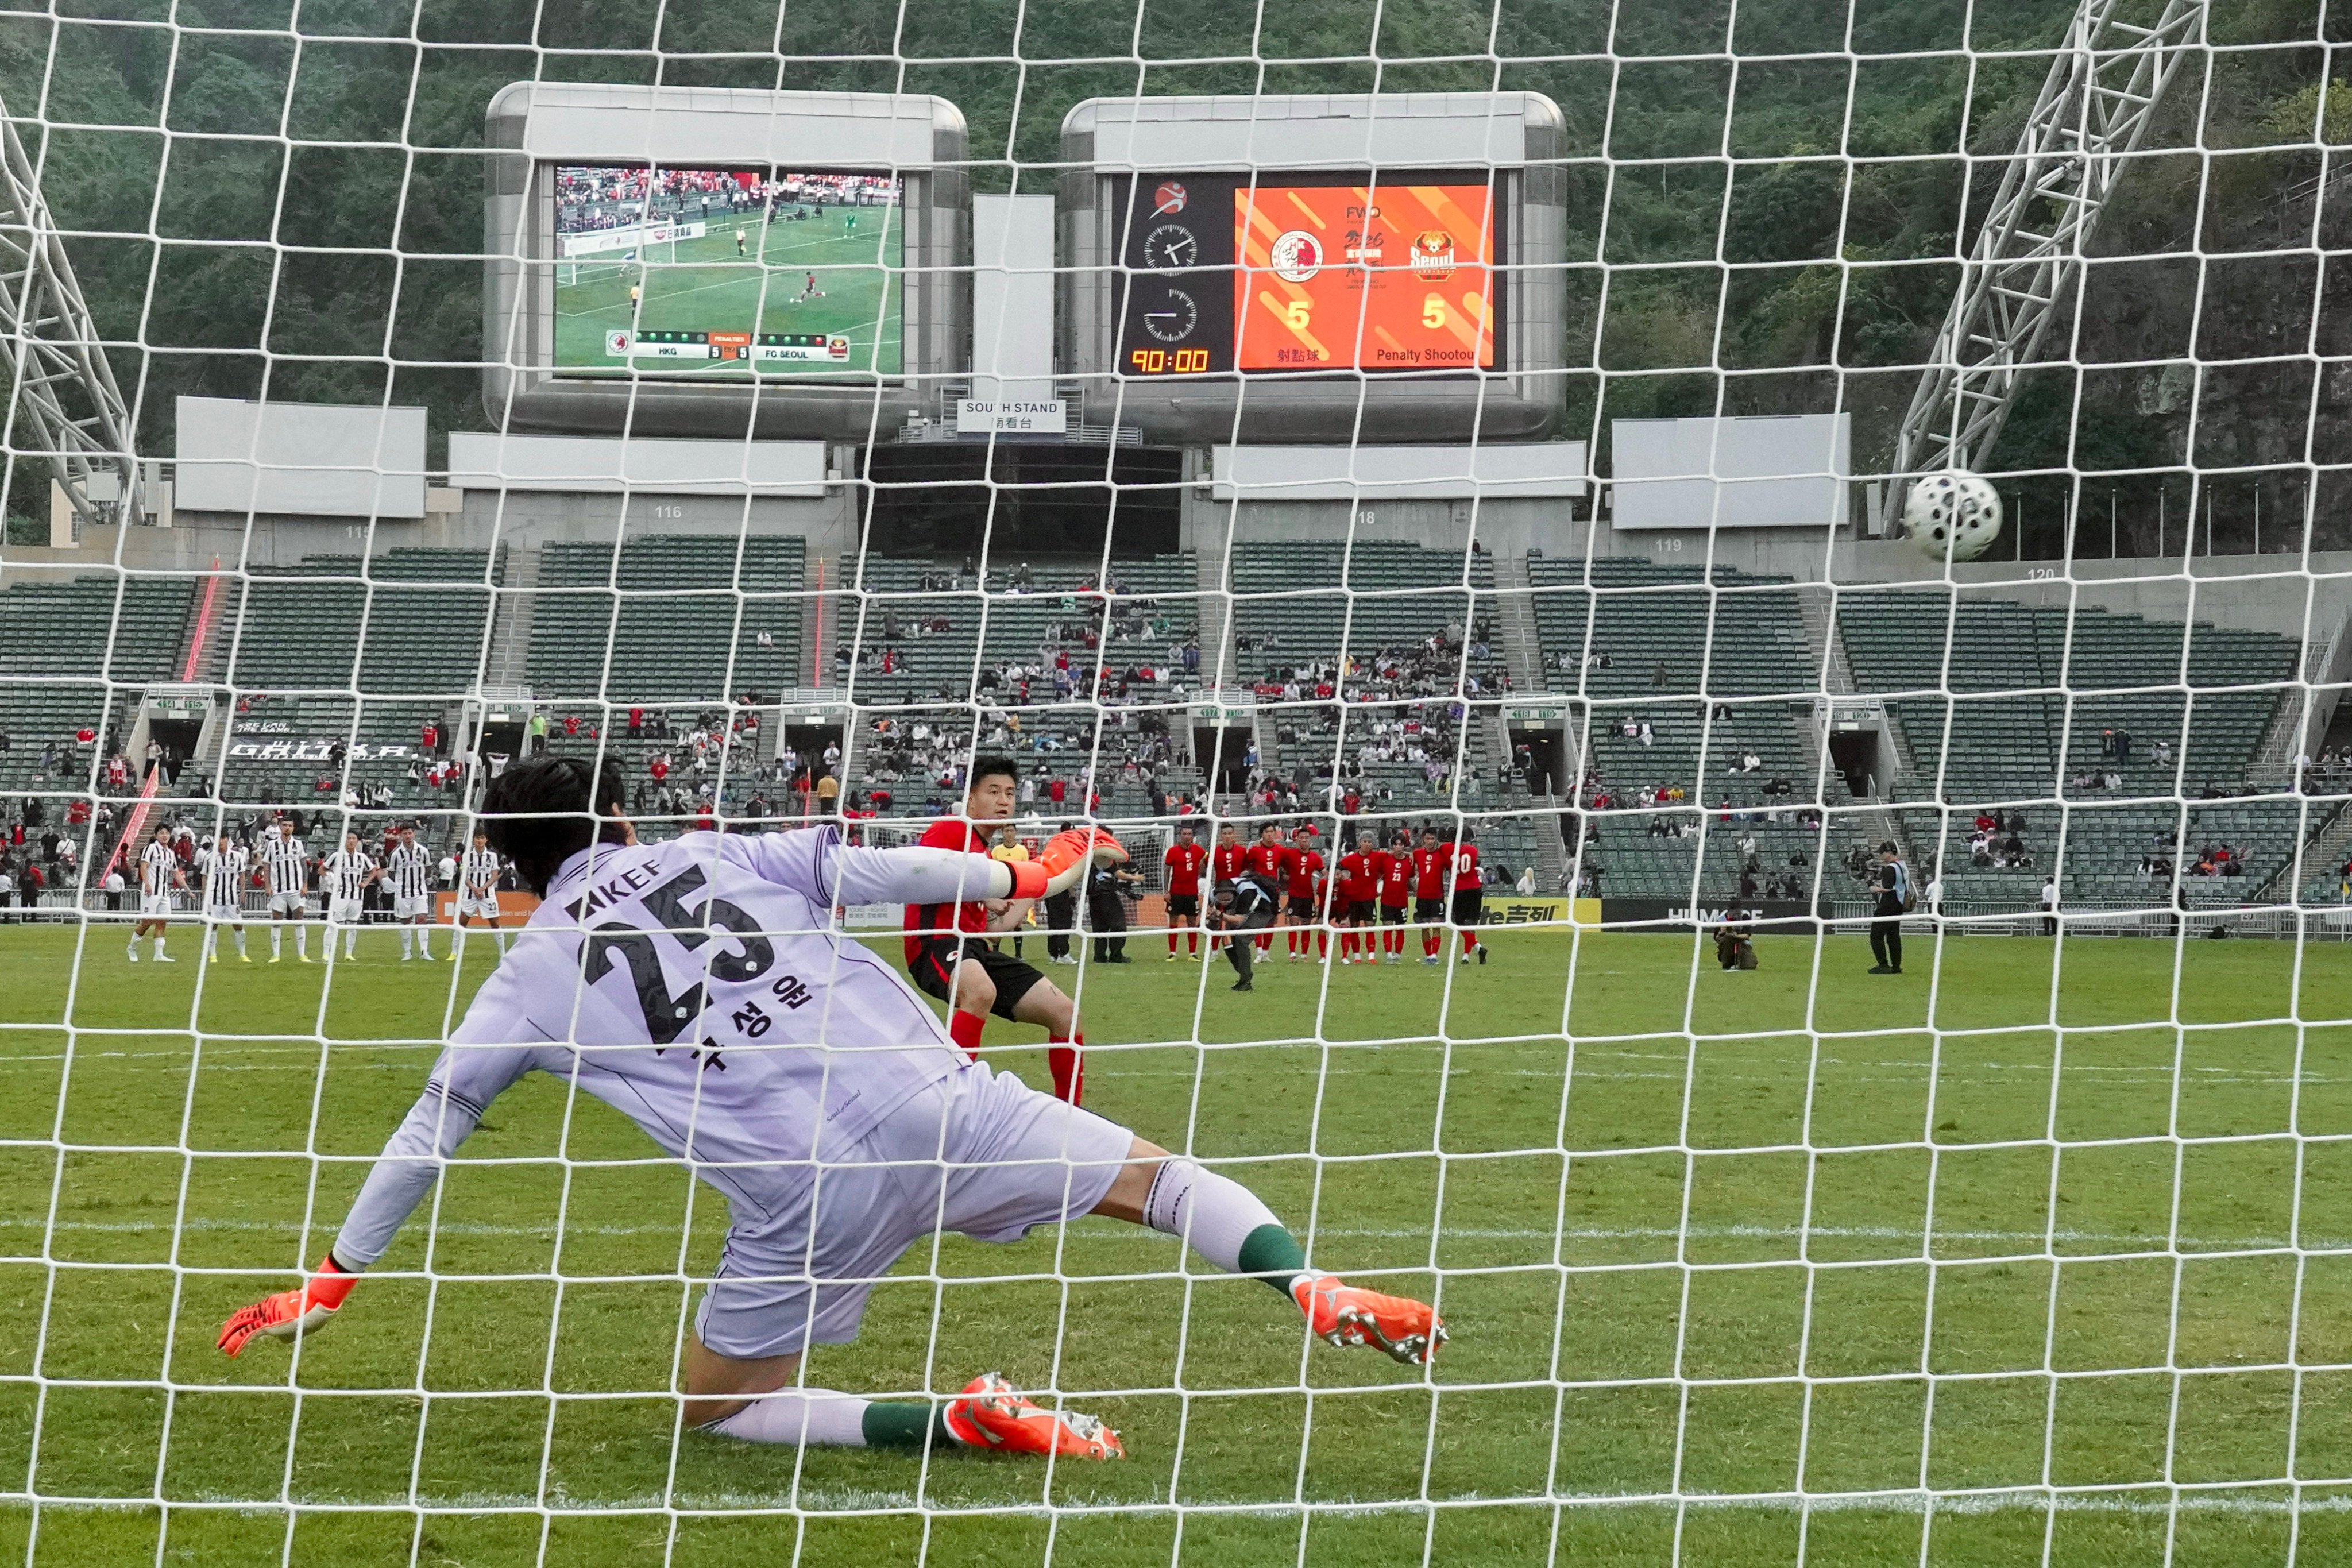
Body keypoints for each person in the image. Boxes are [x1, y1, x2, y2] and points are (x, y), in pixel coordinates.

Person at [213, 755, 1445, 1463]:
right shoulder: (716, 849)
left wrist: (334, 1274)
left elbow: (433, 1123)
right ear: (624, 819)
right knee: (1161, 1182)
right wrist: (1019, 870)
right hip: (935, 1101)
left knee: (719, 1406)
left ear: (514, 869)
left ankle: (955, 1422)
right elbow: (889, 869)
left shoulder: (527, 974)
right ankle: (1311, 1285)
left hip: (801, 1194)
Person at [904, 760, 1091, 1103]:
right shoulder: (953, 829)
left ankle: (1072, 1116)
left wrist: (1056, 876)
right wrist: (984, 890)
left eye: (1009, 793)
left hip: (976, 950)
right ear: (971, 798)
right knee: (980, 991)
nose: (1003, 800)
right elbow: (919, 866)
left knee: (1066, 1013)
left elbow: (999, 927)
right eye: (993, 792)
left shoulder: (985, 855)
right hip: (933, 942)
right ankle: (947, 1100)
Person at [1213, 872, 1280, 992]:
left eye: (1227, 899)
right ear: (1216, 894)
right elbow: (1205, 908)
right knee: (1227, 940)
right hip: (1240, 910)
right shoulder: (1213, 892)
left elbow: (1239, 920)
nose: (1223, 902)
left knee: (1241, 939)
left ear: (1234, 893)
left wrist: (1220, 915)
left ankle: (1245, 981)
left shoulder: (1247, 893)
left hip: (1261, 911)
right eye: (1221, 899)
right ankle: (1245, 972)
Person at [322, 832, 380, 962]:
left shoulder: (362, 857)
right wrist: (331, 882)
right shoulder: (337, 856)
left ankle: (349, 954)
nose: (351, 841)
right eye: (349, 838)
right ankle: (326, 953)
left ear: (358, 841)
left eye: (354, 838)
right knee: (334, 924)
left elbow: (374, 870)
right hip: (340, 896)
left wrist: (365, 883)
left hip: (357, 896)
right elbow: (322, 869)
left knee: (352, 925)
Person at [259, 820, 312, 963]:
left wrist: (305, 885)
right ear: (280, 827)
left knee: (299, 917)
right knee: (276, 918)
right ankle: (276, 955)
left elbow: (304, 866)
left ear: (294, 828)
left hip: (296, 889)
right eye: (285, 825)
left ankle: (302, 954)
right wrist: (267, 885)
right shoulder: (272, 844)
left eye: (290, 826)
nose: (287, 828)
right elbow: (267, 864)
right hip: (278, 889)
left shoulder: (298, 844)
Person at [129, 825, 181, 962]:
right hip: (151, 892)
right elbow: (144, 865)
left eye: (167, 833)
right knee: (147, 922)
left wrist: (187, 890)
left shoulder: (170, 853)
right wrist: (146, 883)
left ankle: (159, 955)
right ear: (156, 835)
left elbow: (175, 873)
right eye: (162, 833)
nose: (165, 835)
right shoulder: (151, 848)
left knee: (162, 922)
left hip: (164, 892)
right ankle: (132, 947)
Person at [385, 824, 436, 961]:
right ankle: (407, 952)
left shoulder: (423, 851)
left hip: (420, 891)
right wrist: (401, 883)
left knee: (422, 920)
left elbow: (429, 868)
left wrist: (422, 881)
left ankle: (424, 951)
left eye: (410, 833)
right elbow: (391, 873)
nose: (407, 836)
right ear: (401, 835)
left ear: (414, 834)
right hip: (402, 893)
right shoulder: (396, 854)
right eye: (405, 834)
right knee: (405, 921)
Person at [197, 833, 250, 963]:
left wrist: (242, 892)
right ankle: (213, 955)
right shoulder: (209, 858)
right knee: (213, 925)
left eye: (222, 839)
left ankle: (243, 954)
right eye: (217, 839)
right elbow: (204, 876)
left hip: (232, 898)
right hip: (215, 897)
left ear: (227, 840)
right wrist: (204, 895)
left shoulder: (237, 856)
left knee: (238, 925)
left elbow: (242, 874)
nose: (220, 841)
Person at [453, 832, 508, 957]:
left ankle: (503, 954)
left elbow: (495, 875)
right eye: (477, 838)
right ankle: (454, 953)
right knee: (462, 922)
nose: (480, 840)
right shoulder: (467, 856)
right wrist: (475, 889)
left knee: (494, 923)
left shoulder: (492, 856)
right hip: (470, 894)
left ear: (486, 840)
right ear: (473, 840)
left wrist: (483, 888)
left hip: (487, 894)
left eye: (482, 838)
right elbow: (464, 875)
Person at [1242, 823, 1292, 957]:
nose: (1270, 834)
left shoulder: (1281, 850)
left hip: (1273, 889)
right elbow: (1246, 866)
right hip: (1259, 889)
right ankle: (1258, 952)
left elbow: (1288, 867)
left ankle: (1266, 953)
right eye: (1267, 832)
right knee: (1258, 919)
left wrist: (1285, 877)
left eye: (1272, 831)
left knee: (1271, 920)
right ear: (1262, 834)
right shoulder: (1255, 850)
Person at [1162, 823, 1207, 960]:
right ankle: (1172, 953)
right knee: (1174, 921)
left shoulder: (1199, 850)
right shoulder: (1173, 851)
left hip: (1192, 893)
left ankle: (1192, 954)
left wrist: (1202, 867)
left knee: (1192, 922)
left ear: (1193, 836)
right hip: (1176, 892)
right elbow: (1166, 871)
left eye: (1189, 834)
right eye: (1184, 834)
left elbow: (1208, 859)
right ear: (1180, 836)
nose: (1187, 837)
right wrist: (1166, 891)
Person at [1334, 834, 1380, 965]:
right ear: (1360, 843)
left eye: (1370, 842)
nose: (1367, 844)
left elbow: (1388, 863)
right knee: (1354, 927)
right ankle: (1357, 956)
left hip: (1369, 899)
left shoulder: (1378, 857)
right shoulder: (1351, 859)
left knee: (1370, 927)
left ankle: (1371, 956)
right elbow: (1338, 867)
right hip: (1354, 899)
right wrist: (1341, 876)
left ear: (1373, 844)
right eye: (1365, 841)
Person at [1284, 825, 1326, 962]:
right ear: (1297, 840)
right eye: (1301, 838)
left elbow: (1324, 873)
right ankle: (1292, 954)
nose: (1304, 840)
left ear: (1310, 840)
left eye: (1307, 838)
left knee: (1306, 925)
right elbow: (1280, 865)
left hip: (1309, 896)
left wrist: (1327, 881)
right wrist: (1284, 877)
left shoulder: (1315, 857)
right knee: (1294, 923)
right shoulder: (1290, 855)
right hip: (1294, 895)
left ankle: (1304, 955)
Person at [1088, 856, 1141, 963]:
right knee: (1118, 925)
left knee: (1099, 927)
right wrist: (1134, 878)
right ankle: (1116, 955)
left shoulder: (1088, 859)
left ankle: (1100, 955)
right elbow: (1117, 873)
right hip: (1108, 895)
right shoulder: (1107, 860)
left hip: (1094, 897)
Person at [1868, 842, 1908, 975]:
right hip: (1899, 903)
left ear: (1889, 852)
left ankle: (1883, 964)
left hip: (1888, 904)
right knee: (1893, 936)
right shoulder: (1903, 866)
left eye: (1882, 853)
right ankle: (1896, 966)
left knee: (1876, 934)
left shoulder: (1890, 868)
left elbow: (1888, 888)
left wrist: (1875, 888)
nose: (1881, 856)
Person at [1410, 827, 1449, 964]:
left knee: (1436, 926)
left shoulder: (1442, 855)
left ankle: (1434, 955)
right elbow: (1410, 871)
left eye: (1433, 839)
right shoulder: (1417, 854)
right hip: (1422, 897)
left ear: (1436, 840)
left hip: (1437, 896)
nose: (1430, 841)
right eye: (1428, 839)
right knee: (1424, 926)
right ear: (1423, 840)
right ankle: (1428, 955)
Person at [1450, 829, 1488, 964]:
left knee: (1458, 923)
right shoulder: (1473, 850)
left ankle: (1478, 948)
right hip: (1475, 889)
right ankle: (1466, 956)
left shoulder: (1452, 851)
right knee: (1470, 924)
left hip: (1460, 888)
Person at [1374, 831, 1413, 963]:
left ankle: (1398, 955)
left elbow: (1412, 880)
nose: (1399, 847)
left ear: (1404, 846)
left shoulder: (1410, 861)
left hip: (1402, 901)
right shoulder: (1385, 860)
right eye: (1396, 845)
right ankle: (1389, 955)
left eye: (1401, 844)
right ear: (1392, 847)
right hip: (1387, 900)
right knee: (1388, 927)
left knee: (1400, 928)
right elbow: (1379, 876)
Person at [2040, 874, 2060, 938]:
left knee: (2046, 920)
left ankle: (2047, 933)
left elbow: (2045, 897)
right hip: (2054, 904)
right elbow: (2059, 897)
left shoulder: (2045, 889)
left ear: (2047, 881)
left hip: (2047, 904)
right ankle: (2054, 933)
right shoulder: (2055, 889)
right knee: (2054, 920)